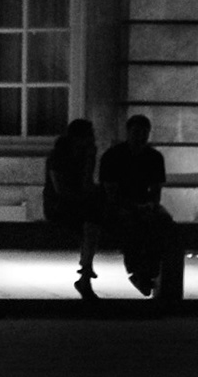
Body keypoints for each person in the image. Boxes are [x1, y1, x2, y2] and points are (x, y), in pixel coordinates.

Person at [99, 114, 174, 298]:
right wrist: (139, 206)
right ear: (128, 132)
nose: (140, 137)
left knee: (164, 223)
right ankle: (142, 271)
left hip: (142, 203)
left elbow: (156, 190)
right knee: (131, 223)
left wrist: (151, 205)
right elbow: (111, 193)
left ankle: (146, 271)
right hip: (119, 205)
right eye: (137, 132)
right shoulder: (114, 156)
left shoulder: (154, 157)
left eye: (144, 133)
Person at [45, 119, 103, 299]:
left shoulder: (86, 154)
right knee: (92, 221)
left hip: (79, 202)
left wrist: (89, 161)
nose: (93, 138)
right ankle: (86, 272)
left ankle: (85, 272)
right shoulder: (58, 155)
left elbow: (87, 183)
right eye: (89, 134)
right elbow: (60, 190)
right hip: (59, 204)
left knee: (93, 221)